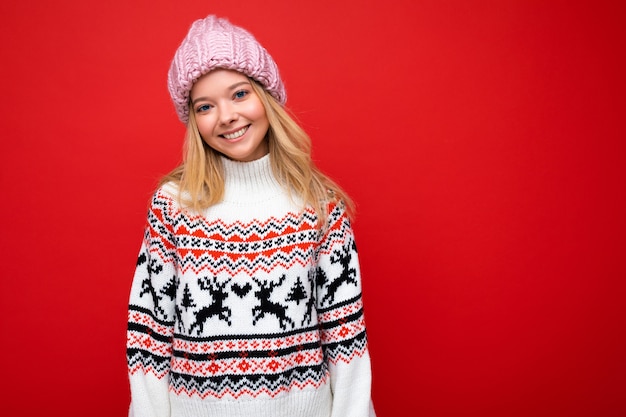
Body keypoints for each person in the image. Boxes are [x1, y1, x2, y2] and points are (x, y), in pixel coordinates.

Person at [126, 14, 375, 417]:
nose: (226, 115)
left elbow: (347, 341)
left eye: (239, 94)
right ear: (193, 121)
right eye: (205, 106)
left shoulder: (320, 204)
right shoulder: (173, 206)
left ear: (267, 97)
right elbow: (148, 337)